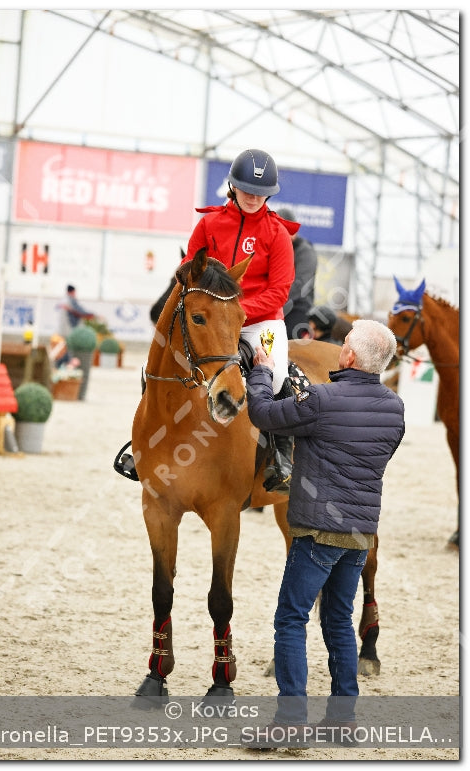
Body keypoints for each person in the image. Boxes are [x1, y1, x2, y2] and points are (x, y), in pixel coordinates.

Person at [245, 319, 405, 746]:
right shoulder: (395, 407)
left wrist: (262, 371)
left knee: (290, 619)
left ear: (349, 355)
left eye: (345, 343)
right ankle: (341, 719)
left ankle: (290, 720)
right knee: (337, 621)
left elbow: (263, 415)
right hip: (360, 534)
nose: (341, 348)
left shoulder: (321, 399)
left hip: (318, 531)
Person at [184, 148, 299, 492]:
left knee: (276, 374)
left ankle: (281, 455)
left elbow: (279, 291)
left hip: (260, 322)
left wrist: (238, 313)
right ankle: (146, 440)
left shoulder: (277, 234)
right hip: (212, 318)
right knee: (169, 357)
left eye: (261, 192)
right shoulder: (208, 224)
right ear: (233, 187)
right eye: (247, 189)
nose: (253, 197)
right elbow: (189, 268)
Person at [276, 208, 318, 340]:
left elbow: (299, 285)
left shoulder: (305, 252)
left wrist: (274, 301)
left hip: (297, 306)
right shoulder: (273, 247)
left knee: (290, 342)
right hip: (275, 303)